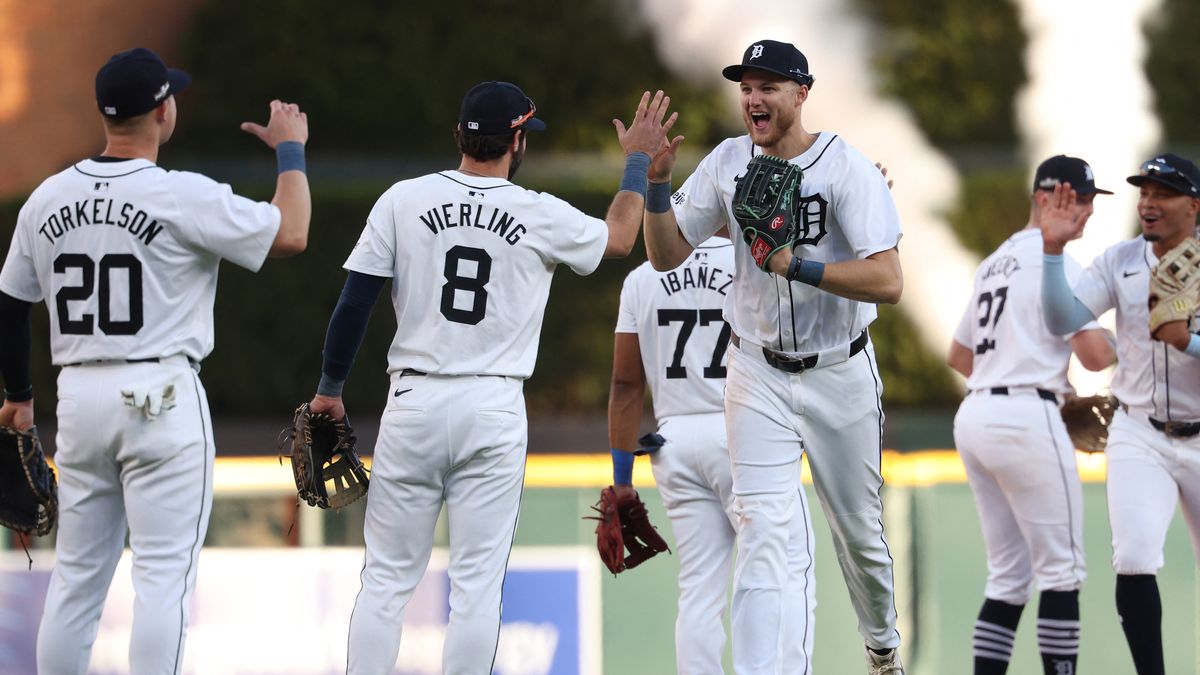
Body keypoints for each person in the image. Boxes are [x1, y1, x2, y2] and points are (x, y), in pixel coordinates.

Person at [304, 81, 674, 674]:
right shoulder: (537, 211)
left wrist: (330, 388)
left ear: (460, 135)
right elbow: (621, 238)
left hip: (415, 400)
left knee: (386, 582)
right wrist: (636, 162)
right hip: (494, 406)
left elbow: (355, 303)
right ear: (517, 140)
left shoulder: (404, 199)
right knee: (475, 590)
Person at [0, 47, 311, 674]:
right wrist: (290, 151)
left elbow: (9, 307)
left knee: (76, 580)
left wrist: (18, 397)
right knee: (163, 580)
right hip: (160, 394)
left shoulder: (47, 198)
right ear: (163, 113)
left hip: (79, 396)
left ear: (104, 114)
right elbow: (291, 232)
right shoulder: (179, 194)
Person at [642, 39, 906, 674]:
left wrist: (797, 266)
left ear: (802, 93)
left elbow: (889, 280)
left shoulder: (845, 167)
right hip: (756, 369)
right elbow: (665, 255)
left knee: (860, 537)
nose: (753, 99)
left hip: (839, 368)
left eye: (768, 86)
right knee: (760, 529)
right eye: (746, 87)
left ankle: (882, 648)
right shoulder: (728, 161)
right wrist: (655, 184)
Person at [607, 227, 816, 674]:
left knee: (699, 590)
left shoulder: (641, 279)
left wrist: (622, 480)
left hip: (675, 443)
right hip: (744, 432)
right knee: (785, 565)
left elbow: (625, 384)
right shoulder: (754, 265)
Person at [948, 155, 1116, 675]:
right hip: (1027, 416)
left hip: (975, 415)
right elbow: (1095, 356)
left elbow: (959, 356)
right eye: (1077, 199)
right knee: (1061, 573)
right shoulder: (1059, 264)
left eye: (1089, 200)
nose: (1087, 210)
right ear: (1045, 198)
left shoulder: (993, 261)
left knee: (1008, 577)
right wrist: (1128, 335)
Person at [1040, 153, 1200, 675]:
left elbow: (1182, 339)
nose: (1148, 203)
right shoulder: (1121, 259)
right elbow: (1063, 318)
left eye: (1163, 193)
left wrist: (1189, 343)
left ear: (1193, 206)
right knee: (1133, 559)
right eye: (1144, 192)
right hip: (1138, 429)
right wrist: (1052, 252)